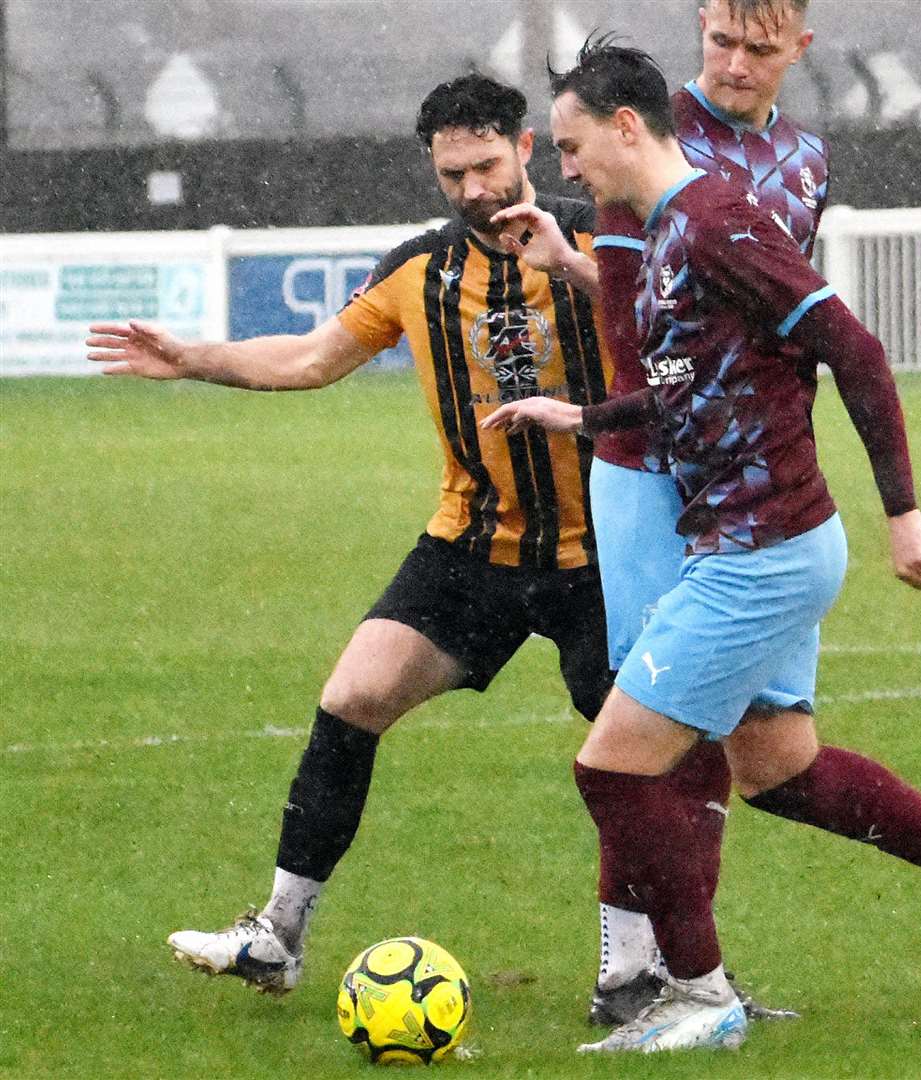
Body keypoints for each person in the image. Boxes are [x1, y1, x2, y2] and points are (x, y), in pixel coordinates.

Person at [482, 37, 921, 1054]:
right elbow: (680, 389)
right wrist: (577, 418)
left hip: (764, 551)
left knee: (616, 767)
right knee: (779, 767)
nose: (566, 170)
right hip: (749, 544)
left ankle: (698, 999)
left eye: (573, 146)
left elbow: (854, 350)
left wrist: (905, 513)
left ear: (626, 127)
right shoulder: (664, 233)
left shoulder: (715, 222)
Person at [84, 74, 624, 998]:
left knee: (633, 764)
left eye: (487, 165)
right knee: (352, 698)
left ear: (527, 149)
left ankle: (643, 967)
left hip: (608, 553)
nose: (472, 190)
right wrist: (193, 360)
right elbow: (310, 355)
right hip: (473, 547)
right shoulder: (420, 268)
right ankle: (278, 935)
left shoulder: (601, 241)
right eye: (451, 173)